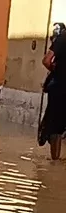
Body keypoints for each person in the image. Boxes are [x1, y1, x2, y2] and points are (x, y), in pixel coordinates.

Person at [39, 22, 66, 159]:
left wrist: (56, 70)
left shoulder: (63, 38)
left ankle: (55, 161)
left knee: (55, 126)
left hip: (60, 87)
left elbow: (46, 60)